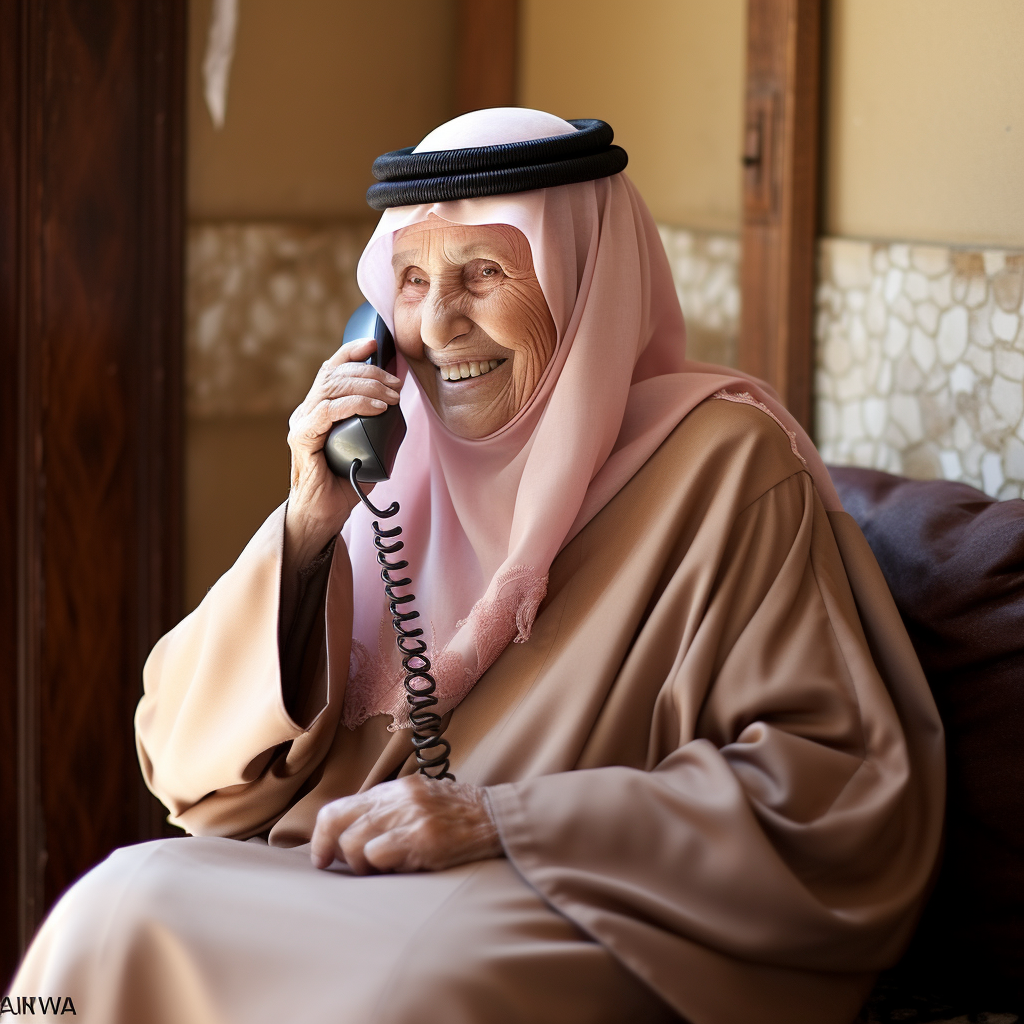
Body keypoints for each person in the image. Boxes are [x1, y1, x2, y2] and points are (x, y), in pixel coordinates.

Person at [8, 108, 944, 1024]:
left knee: (410, 993)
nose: (440, 325)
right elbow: (193, 778)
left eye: (484, 272)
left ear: (584, 281)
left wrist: (502, 818)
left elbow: (836, 792)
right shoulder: (390, 464)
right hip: (333, 873)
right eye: (410, 281)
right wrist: (304, 531)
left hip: (563, 897)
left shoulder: (728, 465)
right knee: (116, 905)